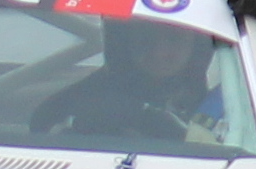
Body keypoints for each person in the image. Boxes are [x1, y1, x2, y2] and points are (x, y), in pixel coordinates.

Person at [31, 17, 215, 139]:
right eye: (146, 37)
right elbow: (41, 125)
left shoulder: (225, 107)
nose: (159, 52)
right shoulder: (75, 105)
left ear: (197, 47)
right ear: (124, 41)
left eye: (175, 39)